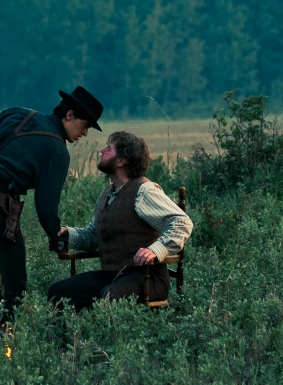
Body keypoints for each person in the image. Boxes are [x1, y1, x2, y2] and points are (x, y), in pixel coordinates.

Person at [0, 86, 104, 316]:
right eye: (86, 125)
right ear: (69, 115)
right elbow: (46, 207)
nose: (86, 133)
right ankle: (8, 346)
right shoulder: (58, 152)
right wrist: (55, 236)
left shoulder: (17, 113)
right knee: (14, 288)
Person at [47, 130, 191, 311]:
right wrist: (69, 235)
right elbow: (94, 236)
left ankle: (111, 339)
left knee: (109, 297)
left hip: (146, 278)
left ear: (122, 161)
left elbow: (182, 223)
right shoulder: (107, 193)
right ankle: (68, 339)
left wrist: (156, 249)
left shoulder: (144, 191)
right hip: (113, 275)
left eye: (108, 149)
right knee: (59, 291)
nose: (101, 150)